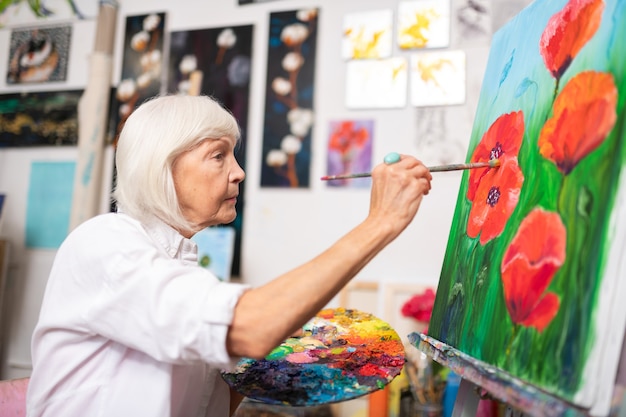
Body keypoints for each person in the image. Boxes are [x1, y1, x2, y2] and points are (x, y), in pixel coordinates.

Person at [26, 94, 432, 417]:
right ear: (161, 167)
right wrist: (380, 222)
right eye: (219, 155)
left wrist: (282, 361)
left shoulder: (180, 267)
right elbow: (250, 328)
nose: (238, 172)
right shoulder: (103, 243)